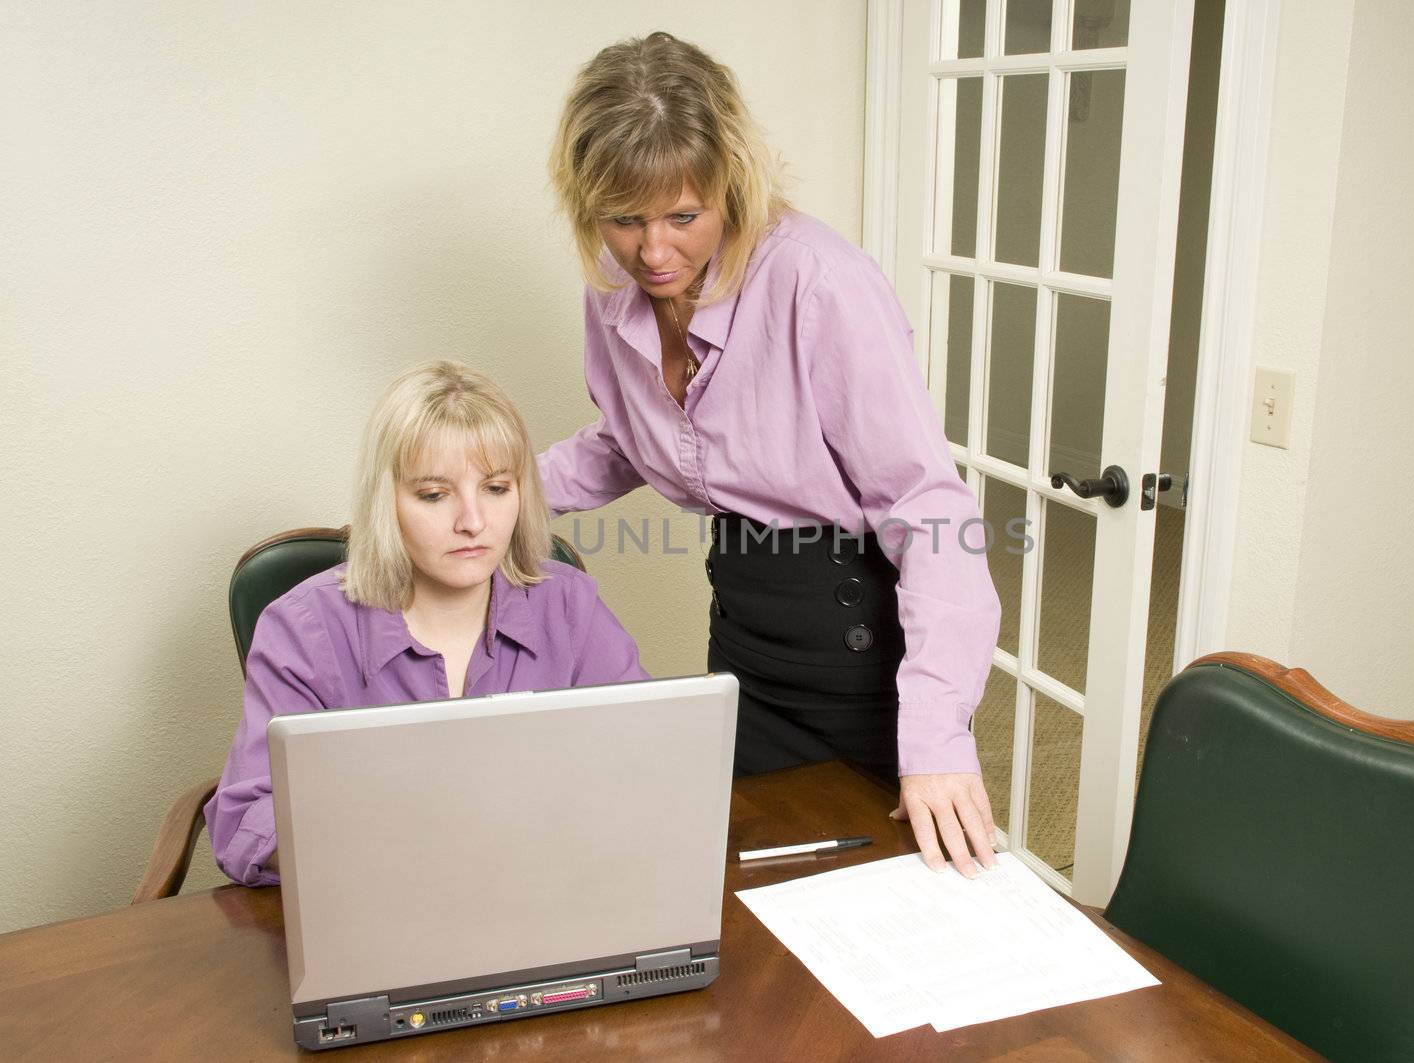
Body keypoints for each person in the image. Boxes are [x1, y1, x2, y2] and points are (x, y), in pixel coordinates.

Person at [539, 33, 1002, 877]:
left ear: (732, 184)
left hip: (855, 645)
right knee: (747, 885)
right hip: (746, 633)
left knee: (883, 899)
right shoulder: (614, 292)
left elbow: (930, 510)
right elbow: (633, 443)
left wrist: (936, 737)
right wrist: (492, 495)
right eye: (624, 219)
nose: (653, 252)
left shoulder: (819, 284)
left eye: (684, 216)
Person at [204, 361, 648, 886]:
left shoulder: (568, 604)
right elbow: (246, 821)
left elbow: (643, 761)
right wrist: (386, 854)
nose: (473, 522)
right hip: (376, 896)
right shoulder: (304, 629)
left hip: (546, 886)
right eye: (435, 495)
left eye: (497, 488)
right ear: (385, 503)